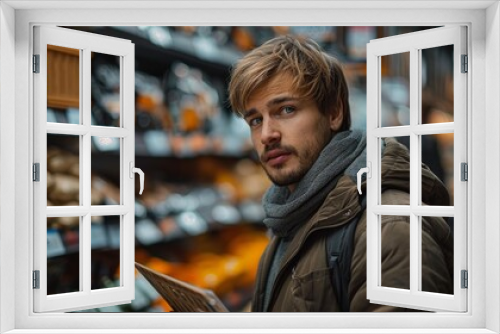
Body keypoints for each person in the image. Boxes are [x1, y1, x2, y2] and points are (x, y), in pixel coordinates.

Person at [228, 35, 454, 312]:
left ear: (334, 113)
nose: (266, 134)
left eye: (286, 110)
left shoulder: (390, 226)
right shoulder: (290, 216)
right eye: (255, 120)